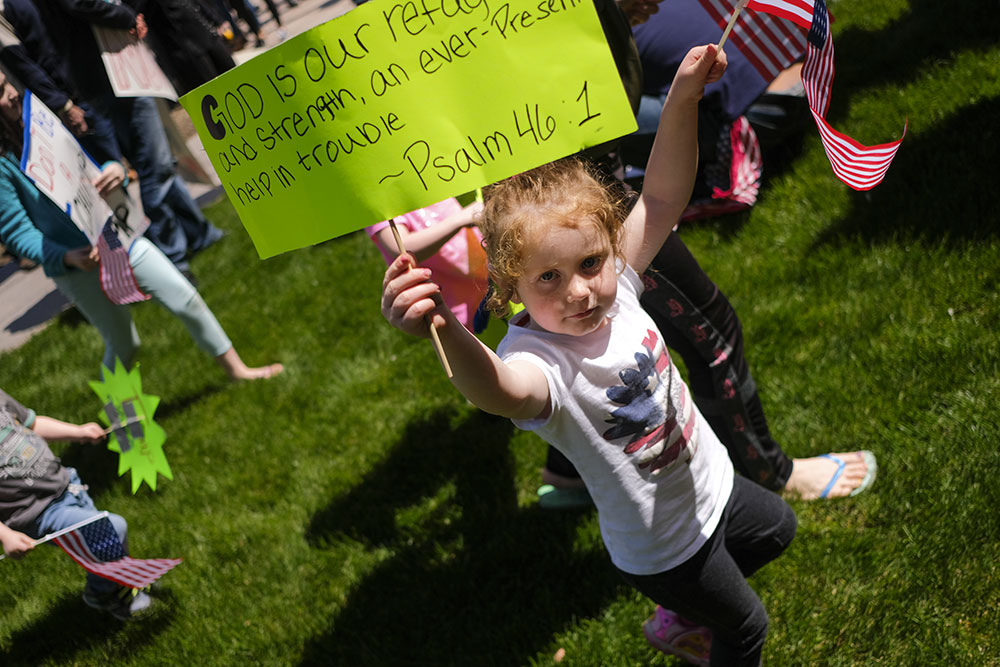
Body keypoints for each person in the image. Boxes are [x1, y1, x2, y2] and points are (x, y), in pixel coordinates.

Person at [382, 45, 797, 665]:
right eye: (546, 279)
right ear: (508, 286)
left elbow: (659, 196)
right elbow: (496, 387)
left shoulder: (620, 285)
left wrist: (683, 95)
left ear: (608, 246)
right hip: (666, 551)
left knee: (780, 530)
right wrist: (440, 323)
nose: (578, 290)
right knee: (748, 629)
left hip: (713, 483)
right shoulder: (539, 359)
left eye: (589, 263)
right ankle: (684, 617)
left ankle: (678, 619)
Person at [0, 70, 282, 380]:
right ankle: (121, 418)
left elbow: (98, 161)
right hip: (79, 266)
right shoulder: (2, 166)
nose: (12, 93)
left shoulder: (45, 123)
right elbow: (16, 231)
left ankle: (237, 371)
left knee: (184, 296)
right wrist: (65, 257)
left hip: (117, 234)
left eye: (7, 84)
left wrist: (114, 170)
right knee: (125, 344)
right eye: (1, 93)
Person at [32, 0, 227, 277]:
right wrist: (126, 16)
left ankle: (197, 233)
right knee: (156, 165)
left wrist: (129, 15)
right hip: (108, 73)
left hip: (107, 71)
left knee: (156, 160)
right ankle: (172, 255)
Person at [0, 387, 152, 620]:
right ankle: (102, 592)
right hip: (39, 511)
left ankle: (120, 581)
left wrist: (78, 432)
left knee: (101, 546)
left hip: (67, 482)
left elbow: (33, 424)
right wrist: (5, 535)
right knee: (112, 529)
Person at [366, 198, 487, 333]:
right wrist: (460, 219)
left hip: (487, 277)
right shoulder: (377, 199)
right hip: (460, 306)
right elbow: (401, 247)